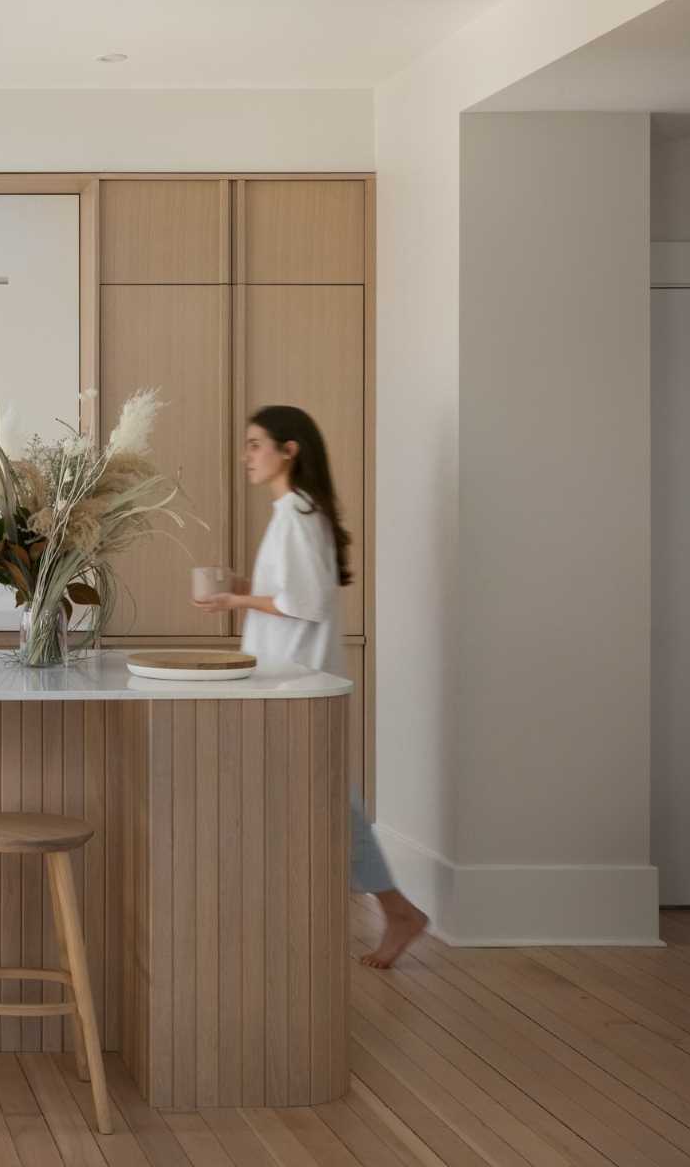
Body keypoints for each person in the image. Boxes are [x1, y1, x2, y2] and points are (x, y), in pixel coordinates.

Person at [193, 404, 426, 970]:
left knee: (321, 804)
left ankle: (385, 912)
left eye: (256, 444)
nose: (247, 455)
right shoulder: (295, 513)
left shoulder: (297, 514)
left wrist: (234, 600)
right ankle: (385, 911)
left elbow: (305, 604)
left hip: (294, 681)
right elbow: (295, 591)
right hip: (286, 677)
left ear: (289, 449)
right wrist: (247, 586)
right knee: (324, 803)